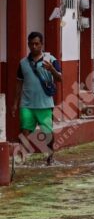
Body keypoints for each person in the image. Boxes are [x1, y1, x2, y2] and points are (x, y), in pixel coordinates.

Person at [12, 32, 62, 165]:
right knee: (24, 130)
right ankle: (21, 158)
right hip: (26, 104)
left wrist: (52, 69)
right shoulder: (23, 63)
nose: (34, 46)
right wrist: (15, 104)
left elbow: (60, 79)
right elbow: (19, 83)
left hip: (45, 104)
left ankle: (50, 157)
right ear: (28, 44)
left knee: (48, 133)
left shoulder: (51, 59)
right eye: (31, 44)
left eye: (37, 44)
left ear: (42, 44)